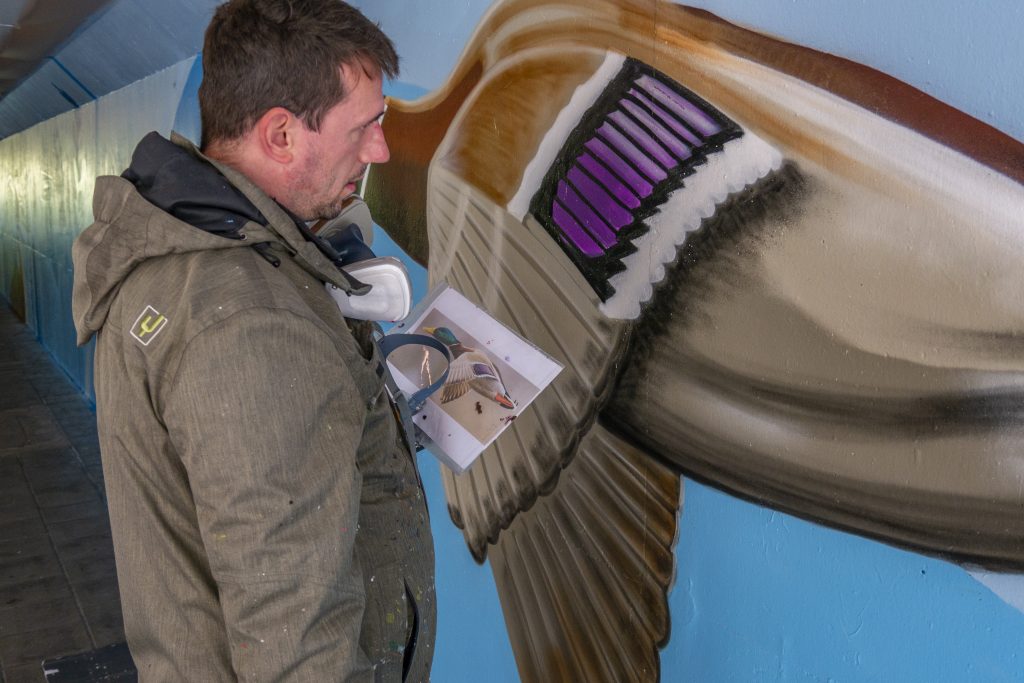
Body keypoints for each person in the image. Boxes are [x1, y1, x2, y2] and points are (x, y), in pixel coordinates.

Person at [71, 1, 435, 680]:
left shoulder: (186, 252)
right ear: (280, 136)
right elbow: (293, 638)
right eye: (365, 127)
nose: (380, 150)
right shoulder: (250, 328)